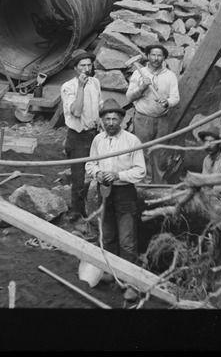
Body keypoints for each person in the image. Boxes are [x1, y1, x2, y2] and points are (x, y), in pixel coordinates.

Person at [85, 99, 145, 302]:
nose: (110, 122)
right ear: (101, 121)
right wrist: (99, 173)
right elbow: (90, 164)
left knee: (127, 241)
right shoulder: (98, 141)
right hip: (105, 193)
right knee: (109, 236)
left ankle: (131, 283)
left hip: (125, 193)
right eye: (107, 119)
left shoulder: (132, 141)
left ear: (121, 120)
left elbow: (140, 172)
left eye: (114, 119)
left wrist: (118, 175)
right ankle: (111, 272)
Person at [126, 44, 180, 182]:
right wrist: (142, 87)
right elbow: (129, 97)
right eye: (153, 55)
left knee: (160, 154)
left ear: (164, 58)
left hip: (162, 120)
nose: (156, 58)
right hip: (143, 119)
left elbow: (175, 97)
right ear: (148, 56)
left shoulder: (170, 76)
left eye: (159, 55)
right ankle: (146, 184)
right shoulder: (138, 73)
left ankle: (158, 184)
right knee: (143, 153)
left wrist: (167, 102)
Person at [60, 49, 102, 222]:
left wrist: (100, 122)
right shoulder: (68, 87)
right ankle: (77, 213)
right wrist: (81, 87)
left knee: (98, 172)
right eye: (82, 65)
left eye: (89, 65)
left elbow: (99, 105)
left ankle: (95, 207)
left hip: (95, 134)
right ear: (75, 68)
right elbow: (76, 111)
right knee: (78, 177)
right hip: (78, 137)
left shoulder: (96, 83)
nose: (86, 69)